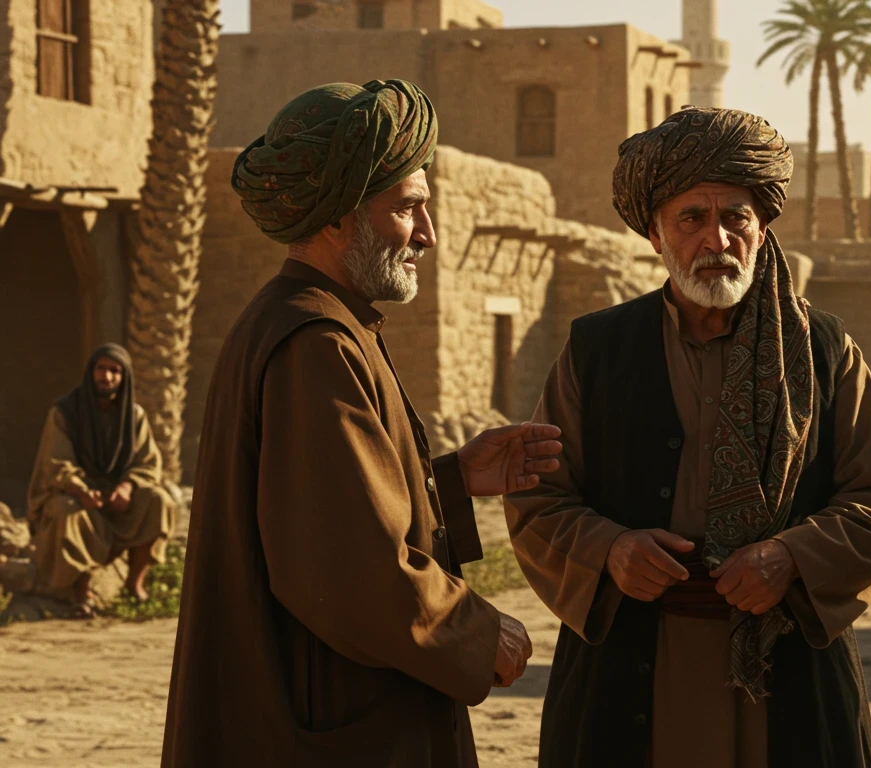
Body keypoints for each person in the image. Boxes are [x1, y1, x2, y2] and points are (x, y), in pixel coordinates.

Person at [162, 80, 557, 767]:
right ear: (337, 218)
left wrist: (449, 481)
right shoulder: (316, 342)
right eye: (407, 208)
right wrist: (474, 633)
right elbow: (348, 567)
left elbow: (318, 506)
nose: (427, 234)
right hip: (332, 726)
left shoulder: (315, 323)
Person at [505, 106, 871, 767]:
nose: (716, 239)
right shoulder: (596, 351)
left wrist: (791, 558)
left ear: (762, 227)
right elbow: (538, 496)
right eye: (691, 218)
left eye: (735, 218)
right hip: (633, 663)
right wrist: (610, 549)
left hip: (787, 671)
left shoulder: (824, 350)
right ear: (655, 234)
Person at [25, 343, 176, 615]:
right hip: (76, 494)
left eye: (114, 371)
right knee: (66, 510)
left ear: (124, 377)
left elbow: (147, 463)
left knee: (158, 501)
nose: (106, 376)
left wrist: (127, 487)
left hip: (117, 497)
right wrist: (81, 490)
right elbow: (56, 463)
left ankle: (134, 584)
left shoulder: (134, 416)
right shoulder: (64, 413)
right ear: (90, 372)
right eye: (101, 369)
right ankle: (82, 590)